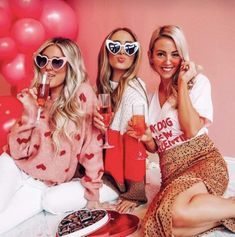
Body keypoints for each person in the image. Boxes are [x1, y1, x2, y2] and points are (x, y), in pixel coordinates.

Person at [0, 37, 116, 234]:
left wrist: (94, 193)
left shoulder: (84, 95)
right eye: (42, 60)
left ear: (70, 65)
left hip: (40, 186)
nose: (48, 68)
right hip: (14, 166)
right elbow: (17, 150)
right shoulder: (37, 94)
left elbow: (91, 148)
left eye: (56, 61)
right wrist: (29, 114)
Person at [129, 25, 235, 237]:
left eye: (175, 54)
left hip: (203, 162)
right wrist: (148, 139)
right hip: (172, 173)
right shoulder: (149, 99)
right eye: (161, 54)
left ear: (183, 57)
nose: (168, 61)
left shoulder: (198, 84)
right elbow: (155, 148)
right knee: (154, 224)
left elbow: (190, 130)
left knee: (174, 213)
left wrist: (183, 84)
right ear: (150, 57)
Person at [93, 27, 151, 213]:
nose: (122, 52)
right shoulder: (103, 88)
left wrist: (135, 191)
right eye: (115, 46)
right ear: (106, 51)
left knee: (54, 201)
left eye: (129, 48)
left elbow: (135, 143)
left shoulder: (133, 92)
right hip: (100, 169)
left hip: (115, 179)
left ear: (136, 54)